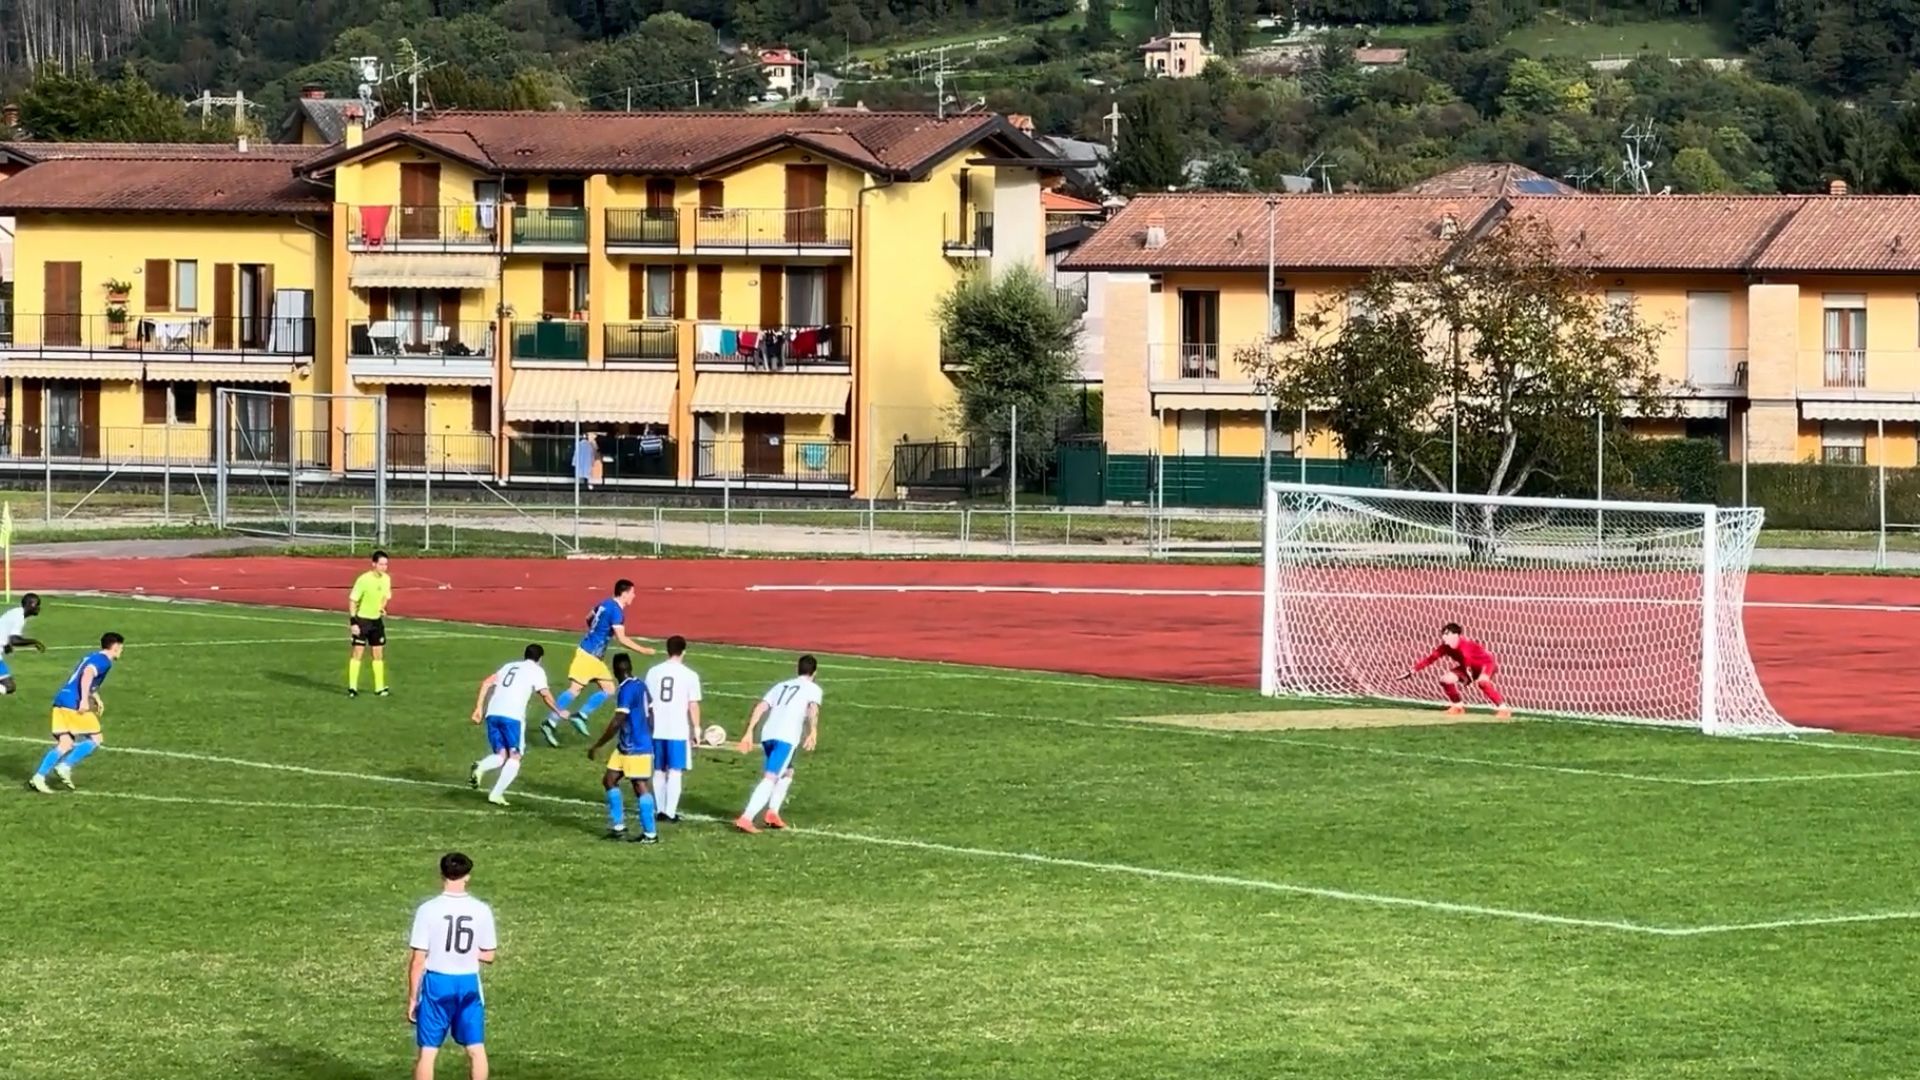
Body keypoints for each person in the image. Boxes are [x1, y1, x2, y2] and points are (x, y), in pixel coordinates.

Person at [407, 852, 498, 1080]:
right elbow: (489, 955)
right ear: (467, 876)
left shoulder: (427, 910)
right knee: (476, 1049)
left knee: (428, 1052)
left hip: (437, 983)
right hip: (468, 982)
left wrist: (412, 999)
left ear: (442, 874)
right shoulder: (481, 910)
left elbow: (418, 960)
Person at [540, 578, 653, 746]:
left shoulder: (605, 603)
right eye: (632, 593)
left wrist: (596, 631)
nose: (634, 596)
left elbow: (588, 618)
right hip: (588, 654)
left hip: (594, 655)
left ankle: (581, 715)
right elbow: (622, 639)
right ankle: (550, 722)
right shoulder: (616, 611)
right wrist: (643, 650)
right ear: (624, 593)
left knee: (609, 689)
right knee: (575, 689)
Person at [734, 654, 822, 834]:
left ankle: (772, 813)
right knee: (771, 776)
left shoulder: (781, 685)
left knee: (787, 772)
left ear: (797, 669)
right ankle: (747, 817)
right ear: (814, 672)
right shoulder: (813, 688)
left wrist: (749, 731)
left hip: (768, 735)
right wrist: (813, 731)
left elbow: (761, 706)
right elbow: (813, 709)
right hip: (786, 737)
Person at [29, 631, 123, 794]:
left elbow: (84, 678)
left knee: (65, 743)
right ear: (115, 647)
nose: (121, 651)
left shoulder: (91, 656)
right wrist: (84, 700)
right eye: (121, 647)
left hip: (61, 700)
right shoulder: (104, 661)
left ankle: (39, 777)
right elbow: (87, 674)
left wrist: (96, 698)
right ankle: (65, 766)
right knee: (96, 738)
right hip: (73, 703)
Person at [468, 644, 559, 807]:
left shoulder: (509, 666)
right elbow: (545, 694)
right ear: (540, 659)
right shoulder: (536, 671)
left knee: (501, 755)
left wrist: (479, 708)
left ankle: (481, 766)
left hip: (493, 713)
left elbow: (487, 682)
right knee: (515, 756)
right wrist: (558, 711)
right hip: (512, 716)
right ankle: (496, 794)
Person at [586, 653, 657, 843]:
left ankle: (650, 834)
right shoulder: (640, 684)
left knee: (639, 785)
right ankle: (618, 827)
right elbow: (651, 712)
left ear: (616, 670)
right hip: (626, 745)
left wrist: (598, 744)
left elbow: (618, 720)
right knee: (609, 780)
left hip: (636, 746)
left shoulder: (626, 690)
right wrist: (649, 731)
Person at [643, 635, 703, 824]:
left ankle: (660, 810)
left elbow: (647, 701)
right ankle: (670, 812)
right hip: (677, 729)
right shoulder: (690, 674)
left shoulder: (653, 672)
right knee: (675, 770)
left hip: (656, 728)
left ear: (667, 650)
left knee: (659, 770)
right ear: (684, 651)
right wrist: (697, 728)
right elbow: (693, 704)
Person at [1402, 622, 1510, 719]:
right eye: (1443, 634)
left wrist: (1469, 677)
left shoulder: (1465, 645)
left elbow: (1467, 659)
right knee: (1445, 680)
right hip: (1468, 668)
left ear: (1456, 635)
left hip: (1486, 665)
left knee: (1482, 683)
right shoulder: (1445, 647)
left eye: (1447, 634)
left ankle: (1503, 709)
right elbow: (1430, 659)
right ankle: (1458, 706)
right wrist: (1412, 671)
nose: (1444, 636)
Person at [347, 550, 392, 698]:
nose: (384, 567)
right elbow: (353, 600)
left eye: (386, 564)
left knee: (378, 654)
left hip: (376, 621)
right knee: (358, 653)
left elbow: (385, 596)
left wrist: (381, 607)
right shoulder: (363, 579)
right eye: (381, 564)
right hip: (362, 620)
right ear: (374, 564)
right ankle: (352, 687)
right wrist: (353, 622)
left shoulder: (386, 579)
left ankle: (379, 687)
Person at [0, 592, 46, 696]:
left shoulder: (15, 613)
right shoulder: (19, 616)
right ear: (31, 604)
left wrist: (6, 645)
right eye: (37, 605)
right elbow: (15, 640)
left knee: (9, 686)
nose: (39, 608)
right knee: (9, 687)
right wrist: (34, 642)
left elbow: (3, 628)